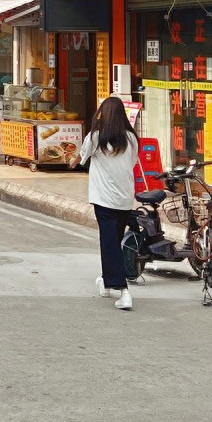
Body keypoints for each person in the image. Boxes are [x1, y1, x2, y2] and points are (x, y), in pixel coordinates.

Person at [79, 96, 140, 310]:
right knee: (114, 238)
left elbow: (82, 156)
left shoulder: (96, 137)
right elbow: (131, 163)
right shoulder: (131, 138)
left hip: (103, 198)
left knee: (109, 242)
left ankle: (123, 290)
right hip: (124, 198)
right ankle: (106, 281)